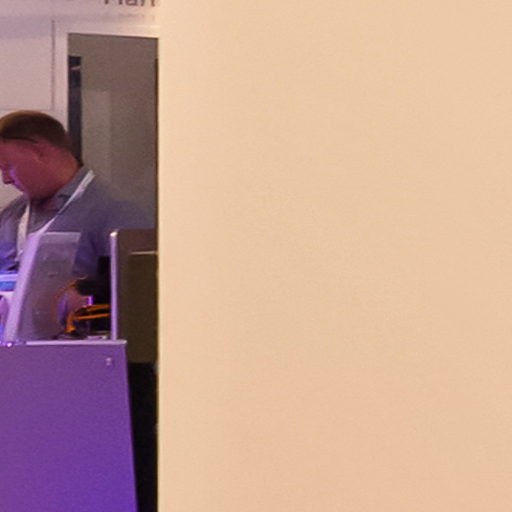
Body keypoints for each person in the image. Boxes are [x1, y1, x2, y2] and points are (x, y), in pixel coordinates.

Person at [0, 110, 152, 279]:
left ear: (40, 152)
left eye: (7, 167)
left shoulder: (118, 211)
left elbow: (136, 283)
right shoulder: (11, 215)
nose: (6, 179)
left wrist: (84, 292)